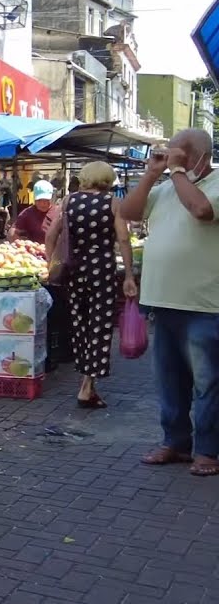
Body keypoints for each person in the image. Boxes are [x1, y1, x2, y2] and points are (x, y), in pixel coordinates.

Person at [122, 129, 219, 476]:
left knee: (208, 382)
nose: (174, 161)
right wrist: (151, 174)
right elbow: (129, 211)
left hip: (205, 305)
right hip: (163, 302)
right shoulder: (165, 188)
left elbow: (201, 210)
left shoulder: (215, 183)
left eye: (182, 154)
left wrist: (177, 172)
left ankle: (209, 451)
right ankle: (176, 443)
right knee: (169, 380)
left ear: (202, 157)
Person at [45, 162, 133, 409]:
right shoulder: (112, 203)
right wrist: (127, 275)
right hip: (102, 271)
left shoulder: (69, 201)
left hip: (74, 271)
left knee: (79, 323)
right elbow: (123, 238)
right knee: (100, 325)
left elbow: (51, 234)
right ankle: (87, 384)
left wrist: (50, 262)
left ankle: (87, 381)